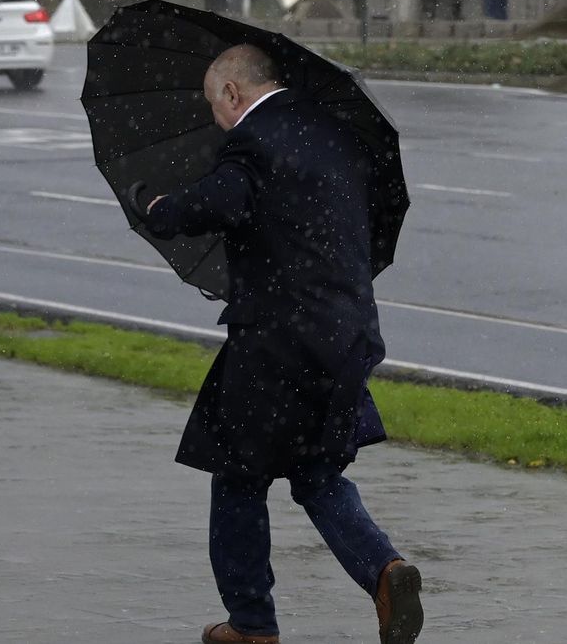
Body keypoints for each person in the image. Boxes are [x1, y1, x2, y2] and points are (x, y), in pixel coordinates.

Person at [130, 44, 423, 644]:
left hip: (278, 344)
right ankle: (385, 571)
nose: (216, 118)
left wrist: (159, 207)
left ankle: (252, 626)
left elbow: (220, 201)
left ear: (233, 93)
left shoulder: (255, 141)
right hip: (348, 332)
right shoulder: (335, 135)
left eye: (215, 105)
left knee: (236, 477)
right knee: (316, 473)